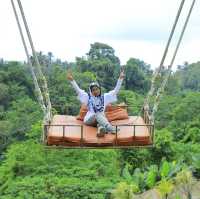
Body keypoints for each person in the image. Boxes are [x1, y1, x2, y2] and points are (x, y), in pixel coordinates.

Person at [67, 69, 124, 137]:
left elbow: (115, 91)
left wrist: (120, 79)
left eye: (97, 89)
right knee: (97, 114)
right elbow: (78, 91)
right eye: (93, 90)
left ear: (99, 89)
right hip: (89, 119)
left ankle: (101, 130)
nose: (95, 91)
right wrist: (72, 80)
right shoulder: (88, 97)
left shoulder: (105, 97)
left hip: (100, 119)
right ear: (91, 92)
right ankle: (111, 129)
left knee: (100, 122)